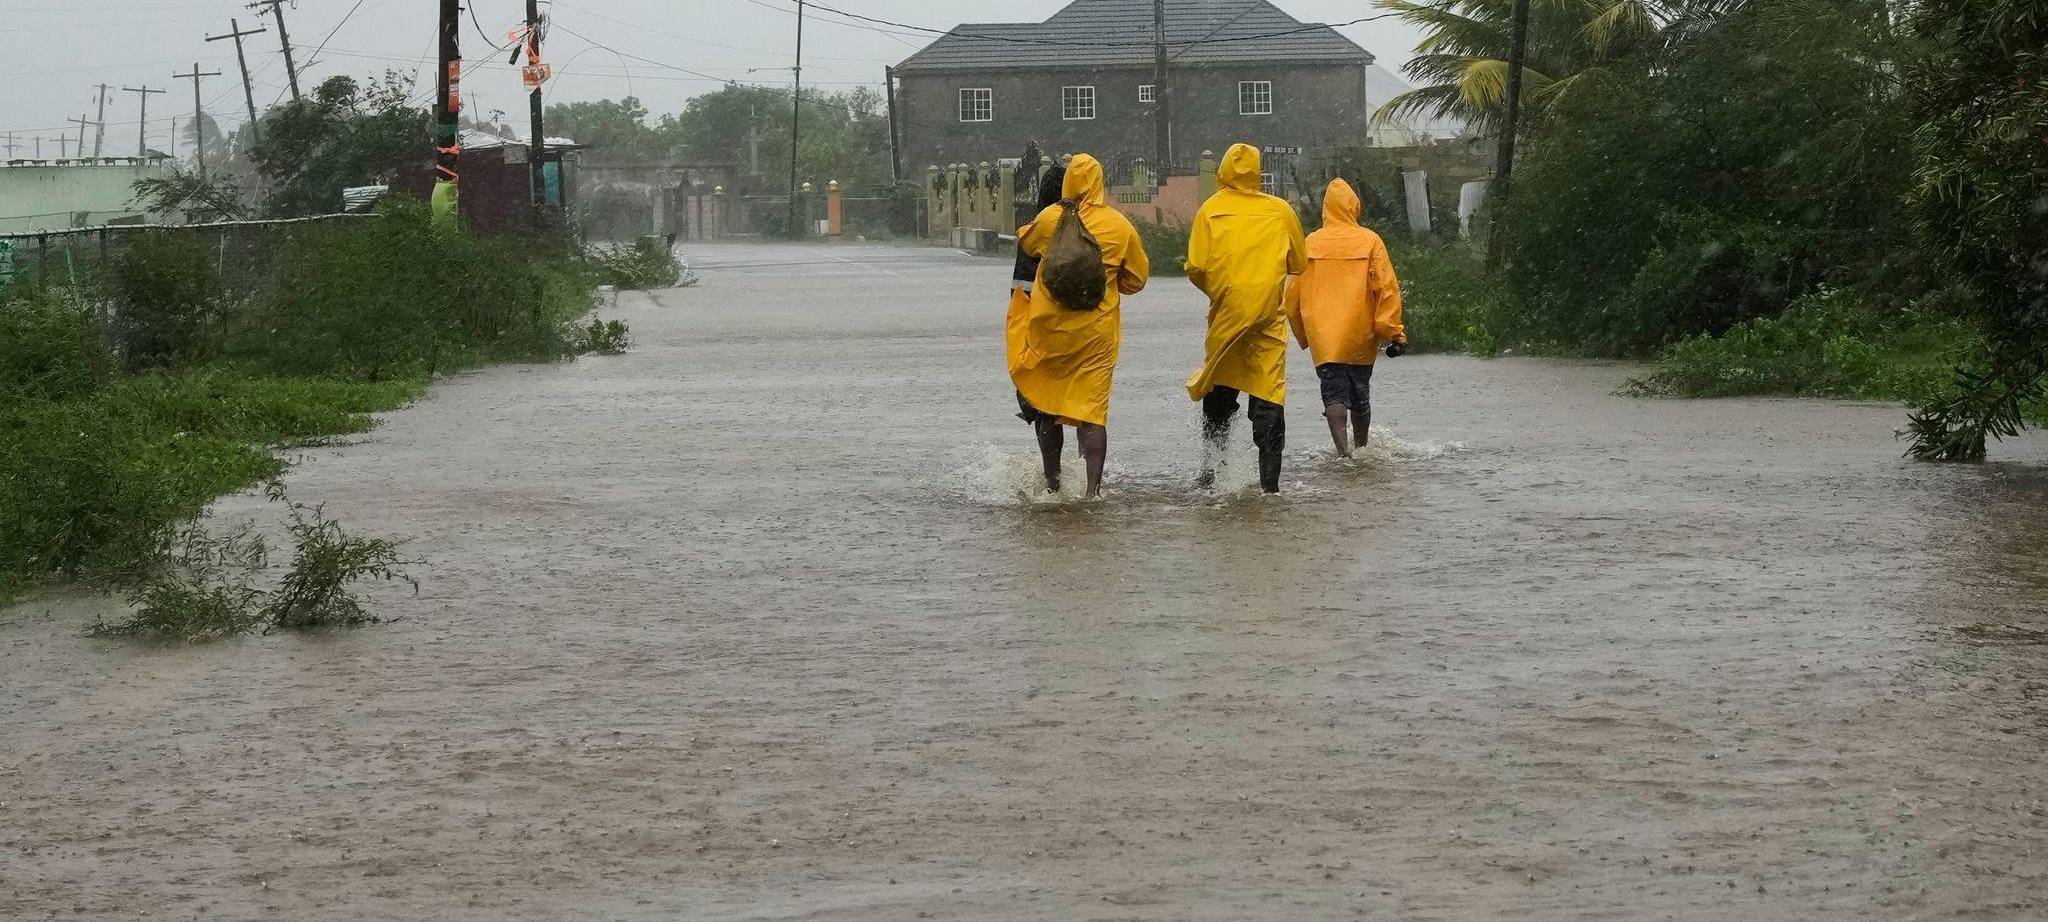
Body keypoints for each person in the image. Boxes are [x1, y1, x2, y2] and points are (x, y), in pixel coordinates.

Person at [1012, 153, 1151, 498]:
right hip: (1096, 336)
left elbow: (1028, 244)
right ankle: (1092, 491)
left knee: (1047, 404)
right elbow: (1136, 279)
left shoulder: (1050, 219)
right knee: (1092, 412)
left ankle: (1053, 485)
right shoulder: (1119, 226)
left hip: (1051, 332)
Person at [1183, 143, 1307, 494]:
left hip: (1226, 315)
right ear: (1257, 171)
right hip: (1268, 319)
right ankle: (1270, 486)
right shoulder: (1280, 211)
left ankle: (1212, 475)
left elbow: (1196, 267)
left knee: (1219, 388)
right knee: (1269, 394)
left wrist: (1222, 290)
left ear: (1222, 170)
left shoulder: (1210, 210)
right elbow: (1299, 263)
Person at [1286, 178, 1407, 457]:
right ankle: (1362, 448)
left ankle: (1343, 453)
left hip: (1325, 339)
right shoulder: (1370, 241)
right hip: (1360, 335)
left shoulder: (1311, 243)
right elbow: (1386, 289)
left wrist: (1306, 336)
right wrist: (1393, 332)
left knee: (1333, 393)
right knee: (1360, 393)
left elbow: (1291, 297)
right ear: (1354, 206)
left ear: (1325, 209)